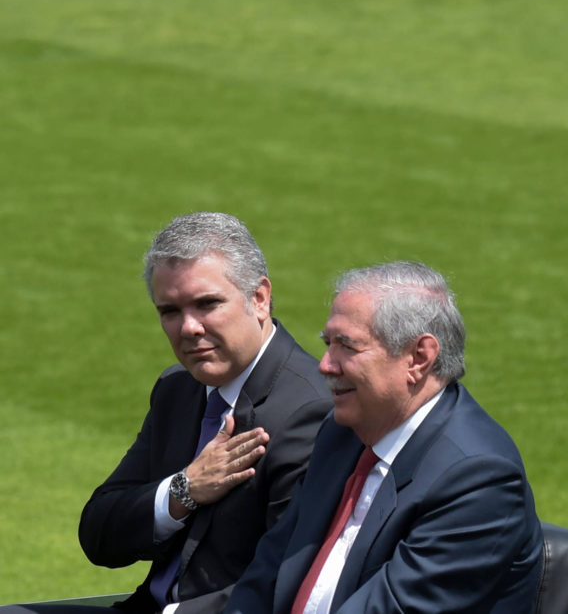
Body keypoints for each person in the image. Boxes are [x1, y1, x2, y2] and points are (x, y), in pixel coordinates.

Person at [1, 213, 333, 614]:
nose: (188, 327)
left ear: (259, 298)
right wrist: (183, 490)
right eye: (170, 311)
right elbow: (99, 534)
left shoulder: (312, 411)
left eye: (207, 304)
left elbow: (287, 580)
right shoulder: (178, 389)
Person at [224, 261, 542, 614]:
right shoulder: (341, 433)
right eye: (328, 344)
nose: (325, 365)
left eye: (347, 347)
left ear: (418, 358)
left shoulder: (478, 479)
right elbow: (268, 571)